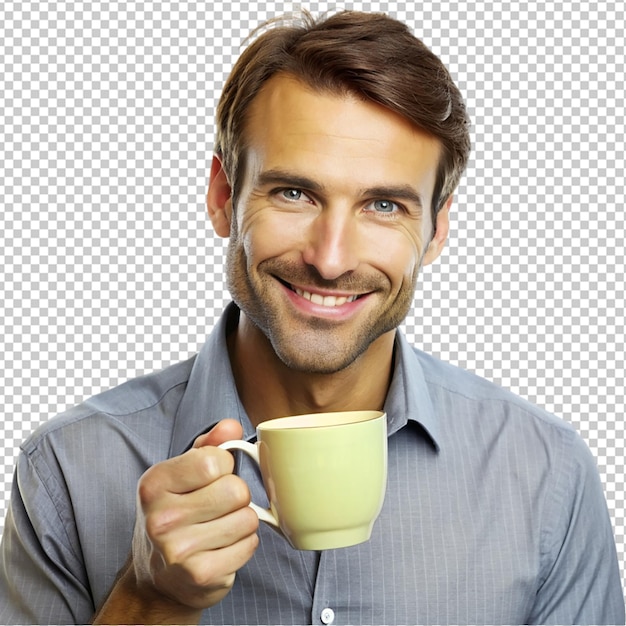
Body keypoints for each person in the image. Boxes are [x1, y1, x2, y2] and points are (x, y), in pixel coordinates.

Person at [0, 9, 623, 625]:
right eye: (293, 193)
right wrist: (151, 601)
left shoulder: (547, 473)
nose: (329, 260)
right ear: (223, 198)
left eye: (383, 205)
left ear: (437, 231)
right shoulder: (67, 469)